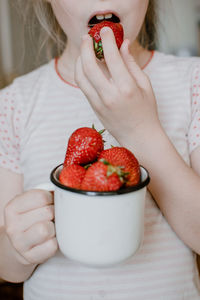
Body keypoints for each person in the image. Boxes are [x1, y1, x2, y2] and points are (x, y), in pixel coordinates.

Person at [0, 0, 200, 299]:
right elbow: (7, 267)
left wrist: (139, 131)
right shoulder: (13, 104)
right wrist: (17, 250)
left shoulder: (193, 82)